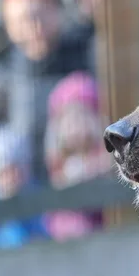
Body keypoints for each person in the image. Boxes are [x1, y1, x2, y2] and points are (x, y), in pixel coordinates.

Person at [0, 0, 92, 185]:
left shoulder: (82, 55)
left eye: (40, 14)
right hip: (24, 188)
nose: (34, 26)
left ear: (54, 12)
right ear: (9, 27)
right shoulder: (5, 74)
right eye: (23, 20)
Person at [42, 71, 108, 241]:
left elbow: (108, 166)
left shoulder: (104, 157)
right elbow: (60, 183)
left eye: (81, 116)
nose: (75, 125)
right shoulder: (59, 162)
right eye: (69, 119)